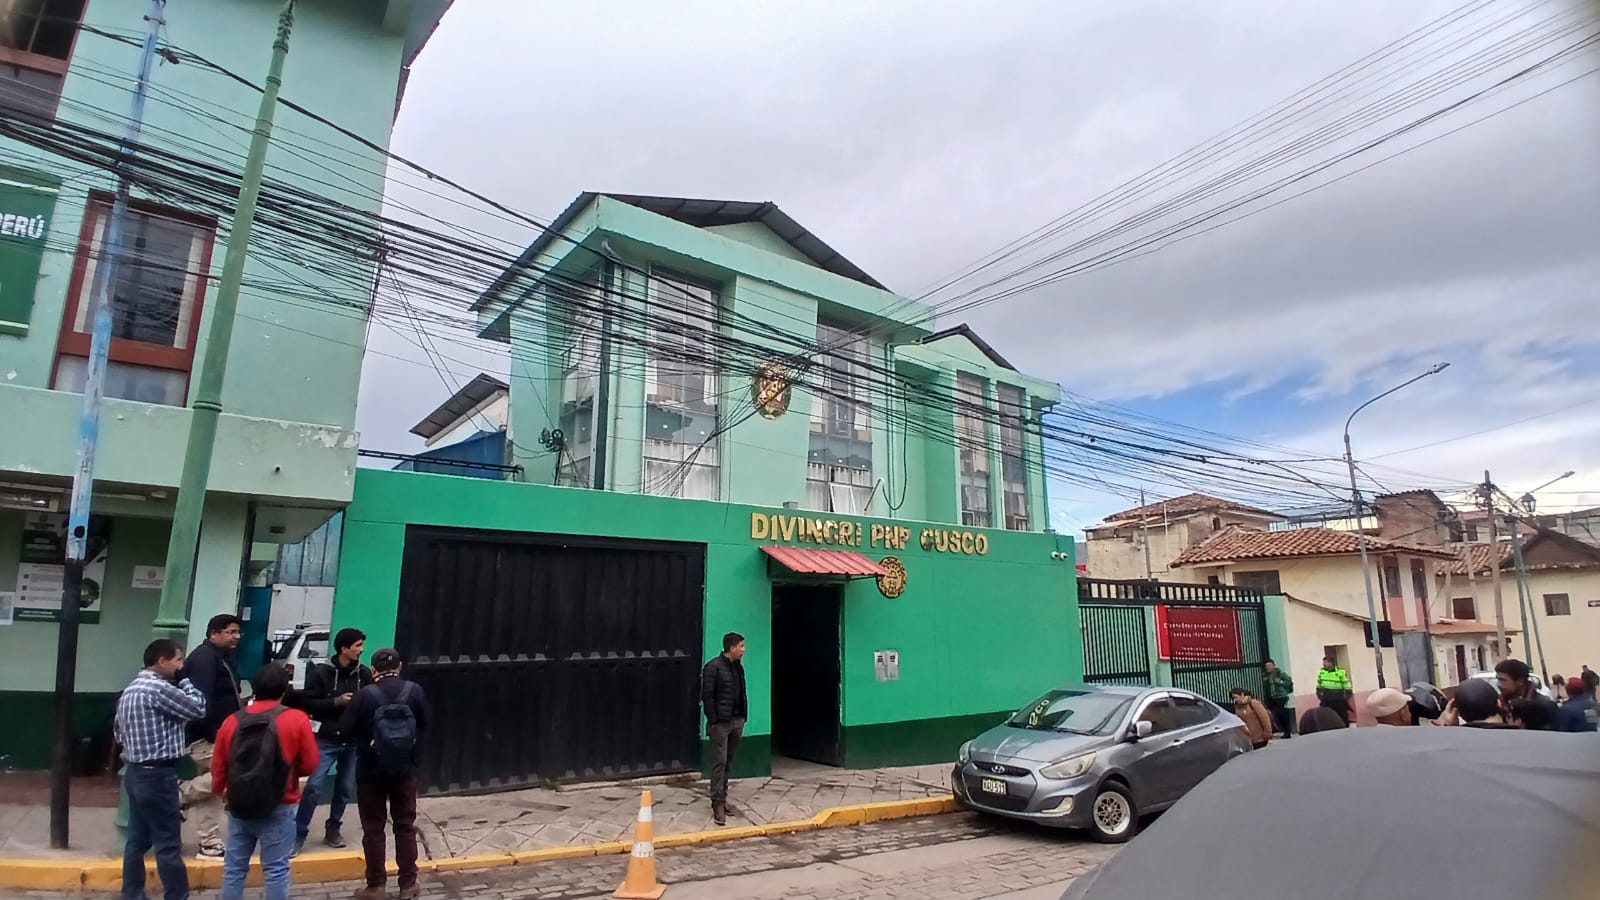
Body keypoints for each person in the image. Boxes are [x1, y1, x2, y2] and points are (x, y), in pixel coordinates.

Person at [211, 664, 319, 900]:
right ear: (285, 689)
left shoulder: (232, 721)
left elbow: (219, 765)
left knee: (234, 868)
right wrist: (290, 775)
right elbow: (310, 764)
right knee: (276, 869)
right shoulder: (296, 719)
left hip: (239, 802)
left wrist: (222, 790)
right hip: (281, 801)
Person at [116, 640, 206, 900]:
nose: (181, 666)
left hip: (135, 771)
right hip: (158, 775)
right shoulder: (158, 688)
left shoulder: (131, 689)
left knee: (137, 841)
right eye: (178, 660)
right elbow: (198, 708)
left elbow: (118, 732)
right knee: (168, 844)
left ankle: (132, 893)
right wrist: (185, 680)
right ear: (162, 661)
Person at [339, 648, 429, 900]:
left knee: (373, 828)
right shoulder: (414, 691)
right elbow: (424, 723)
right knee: (405, 825)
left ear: (374, 669)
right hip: (405, 769)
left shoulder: (364, 695)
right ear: (400, 667)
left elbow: (345, 730)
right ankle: (408, 884)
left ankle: (376, 886)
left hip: (370, 771)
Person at [288, 627, 372, 855]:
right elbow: (307, 703)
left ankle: (333, 828)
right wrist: (337, 702)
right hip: (325, 739)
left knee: (345, 788)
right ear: (344, 648)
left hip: (352, 741)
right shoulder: (321, 672)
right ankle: (298, 834)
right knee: (313, 787)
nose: (361, 650)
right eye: (357, 645)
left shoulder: (363, 674)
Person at [179, 613, 244, 858]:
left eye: (238, 632)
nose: (236, 636)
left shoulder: (221, 657)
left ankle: (209, 842)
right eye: (230, 632)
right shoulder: (204, 659)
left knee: (213, 788)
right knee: (233, 773)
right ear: (214, 633)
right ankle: (181, 793)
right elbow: (201, 701)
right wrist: (214, 735)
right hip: (207, 736)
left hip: (219, 733)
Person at [700, 632, 748, 826]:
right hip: (721, 724)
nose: (744, 650)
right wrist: (714, 719)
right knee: (719, 762)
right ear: (732, 647)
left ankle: (724, 797)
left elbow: (742, 692)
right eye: (741, 646)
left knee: (729, 761)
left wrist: (743, 716)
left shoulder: (738, 667)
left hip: (737, 721)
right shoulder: (713, 667)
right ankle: (717, 803)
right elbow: (707, 695)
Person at [1494, 658, 1557, 731]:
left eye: (1503, 680)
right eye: (1497, 679)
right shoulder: (1500, 704)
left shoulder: (1544, 705)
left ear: (1520, 681)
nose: (1498, 684)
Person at [1445, 677, 1518, 728]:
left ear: (1457, 712)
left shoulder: (1453, 742)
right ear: (1499, 703)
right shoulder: (1521, 737)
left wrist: (1450, 728)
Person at [1315, 656, 1354, 725]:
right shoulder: (1322, 673)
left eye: (1325, 662)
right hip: (1326, 698)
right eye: (1323, 662)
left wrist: (1345, 696)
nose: (1323, 664)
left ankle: (1344, 727)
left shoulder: (1340, 672)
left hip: (1338, 698)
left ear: (1331, 663)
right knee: (1326, 716)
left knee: (1342, 716)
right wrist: (1320, 695)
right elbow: (1319, 685)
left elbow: (1346, 685)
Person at [1261, 659, 1295, 739]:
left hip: (1281, 697)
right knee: (1275, 714)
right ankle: (1281, 730)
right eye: (1267, 666)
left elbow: (1289, 682)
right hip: (1271, 698)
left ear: (1273, 666)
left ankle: (1287, 732)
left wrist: (1280, 682)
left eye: (1270, 666)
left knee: (1281, 713)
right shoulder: (1265, 676)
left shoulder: (1280, 674)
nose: (1268, 668)